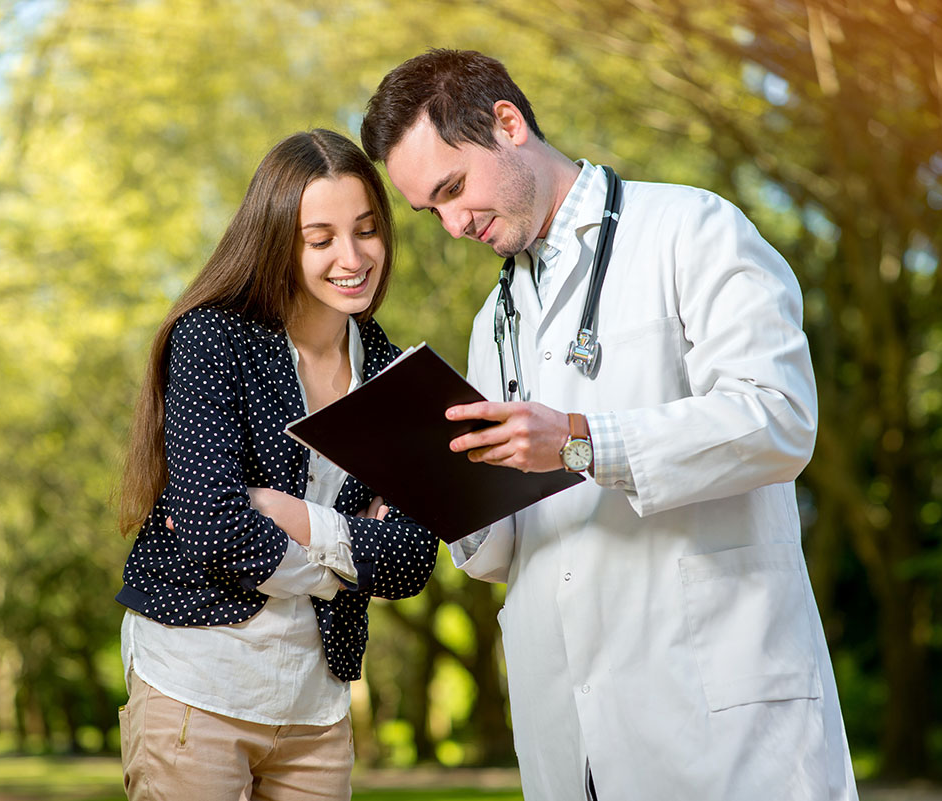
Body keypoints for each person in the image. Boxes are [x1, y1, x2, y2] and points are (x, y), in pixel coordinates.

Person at [361, 49, 859, 801]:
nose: (454, 226)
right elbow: (502, 552)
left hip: (713, 718)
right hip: (569, 732)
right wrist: (436, 491)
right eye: (432, 211)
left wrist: (581, 437)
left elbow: (779, 418)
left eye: (454, 188)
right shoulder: (491, 322)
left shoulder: (690, 229)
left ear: (508, 123)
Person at [114, 129, 437, 800]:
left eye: (367, 230)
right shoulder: (214, 338)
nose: (352, 258)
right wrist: (343, 567)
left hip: (318, 705)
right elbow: (213, 527)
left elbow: (411, 558)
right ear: (277, 242)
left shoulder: (397, 376)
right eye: (320, 239)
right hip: (197, 685)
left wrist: (294, 518)